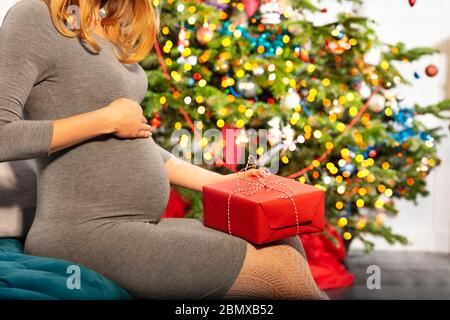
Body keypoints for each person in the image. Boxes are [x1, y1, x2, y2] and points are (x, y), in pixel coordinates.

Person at [0, 0, 323, 299]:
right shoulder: (34, 17)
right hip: (84, 233)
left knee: (281, 237)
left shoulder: (106, 26)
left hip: (137, 226)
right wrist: (104, 120)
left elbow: (140, 144)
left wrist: (231, 184)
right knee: (281, 272)